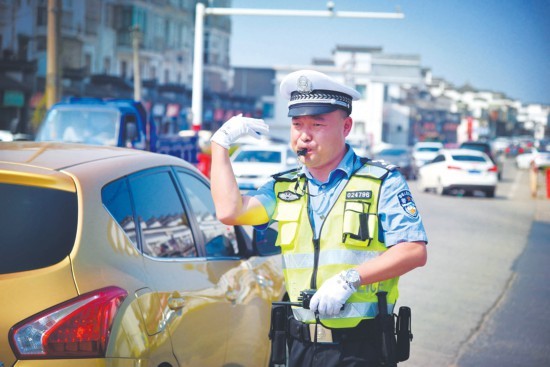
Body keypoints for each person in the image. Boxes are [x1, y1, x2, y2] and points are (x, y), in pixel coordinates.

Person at [210, 69, 428, 366]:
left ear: (346, 126)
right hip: (299, 345)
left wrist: (351, 279)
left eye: (317, 123)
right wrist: (219, 145)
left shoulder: (380, 182)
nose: (304, 135)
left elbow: (413, 250)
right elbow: (230, 212)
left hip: (359, 348)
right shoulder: (283, 187)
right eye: (297, 124)